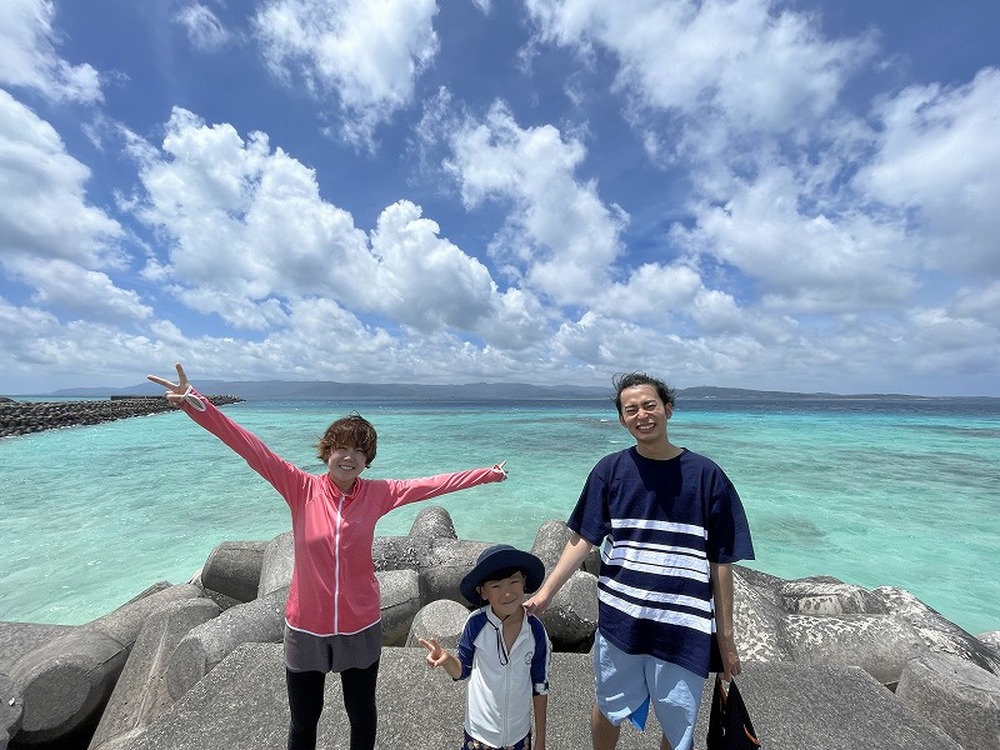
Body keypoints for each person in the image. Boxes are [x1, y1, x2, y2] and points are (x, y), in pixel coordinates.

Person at [147, 363, 509, 750]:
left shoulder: (378, 493)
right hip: (306, 626)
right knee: (304, 721)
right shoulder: (300, 488)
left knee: (362, 713)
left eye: (359, 451)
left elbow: (432, 485)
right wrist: (196, 404)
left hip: (360, 624)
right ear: (328, 452)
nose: (349, 457)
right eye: (342, 448)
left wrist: (486, 474)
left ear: (367, 459)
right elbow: (251, 449)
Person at [524, 372, 754, 750]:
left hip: (683, 626)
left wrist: (726, 639)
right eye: (631, 410)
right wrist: (546, 592)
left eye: (650, 405)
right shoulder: (610, 471)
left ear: (668, 409)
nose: (642, 415)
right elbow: (583, 539)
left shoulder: (706, 476)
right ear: (621, 419)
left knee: (678, 725)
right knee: (608, 705)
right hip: (621, 620)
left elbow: (721, 561)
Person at [419, 544, 551, 750]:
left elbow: (540, 685)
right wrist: (446, 659)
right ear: (482, 592)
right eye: (496, 586)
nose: (507, 592)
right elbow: (462, 671)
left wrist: (540, 739)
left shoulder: (535, 630)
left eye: (514, 582)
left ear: (524, 582)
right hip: (479, 734)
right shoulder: (476, 624)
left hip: (519, 734)